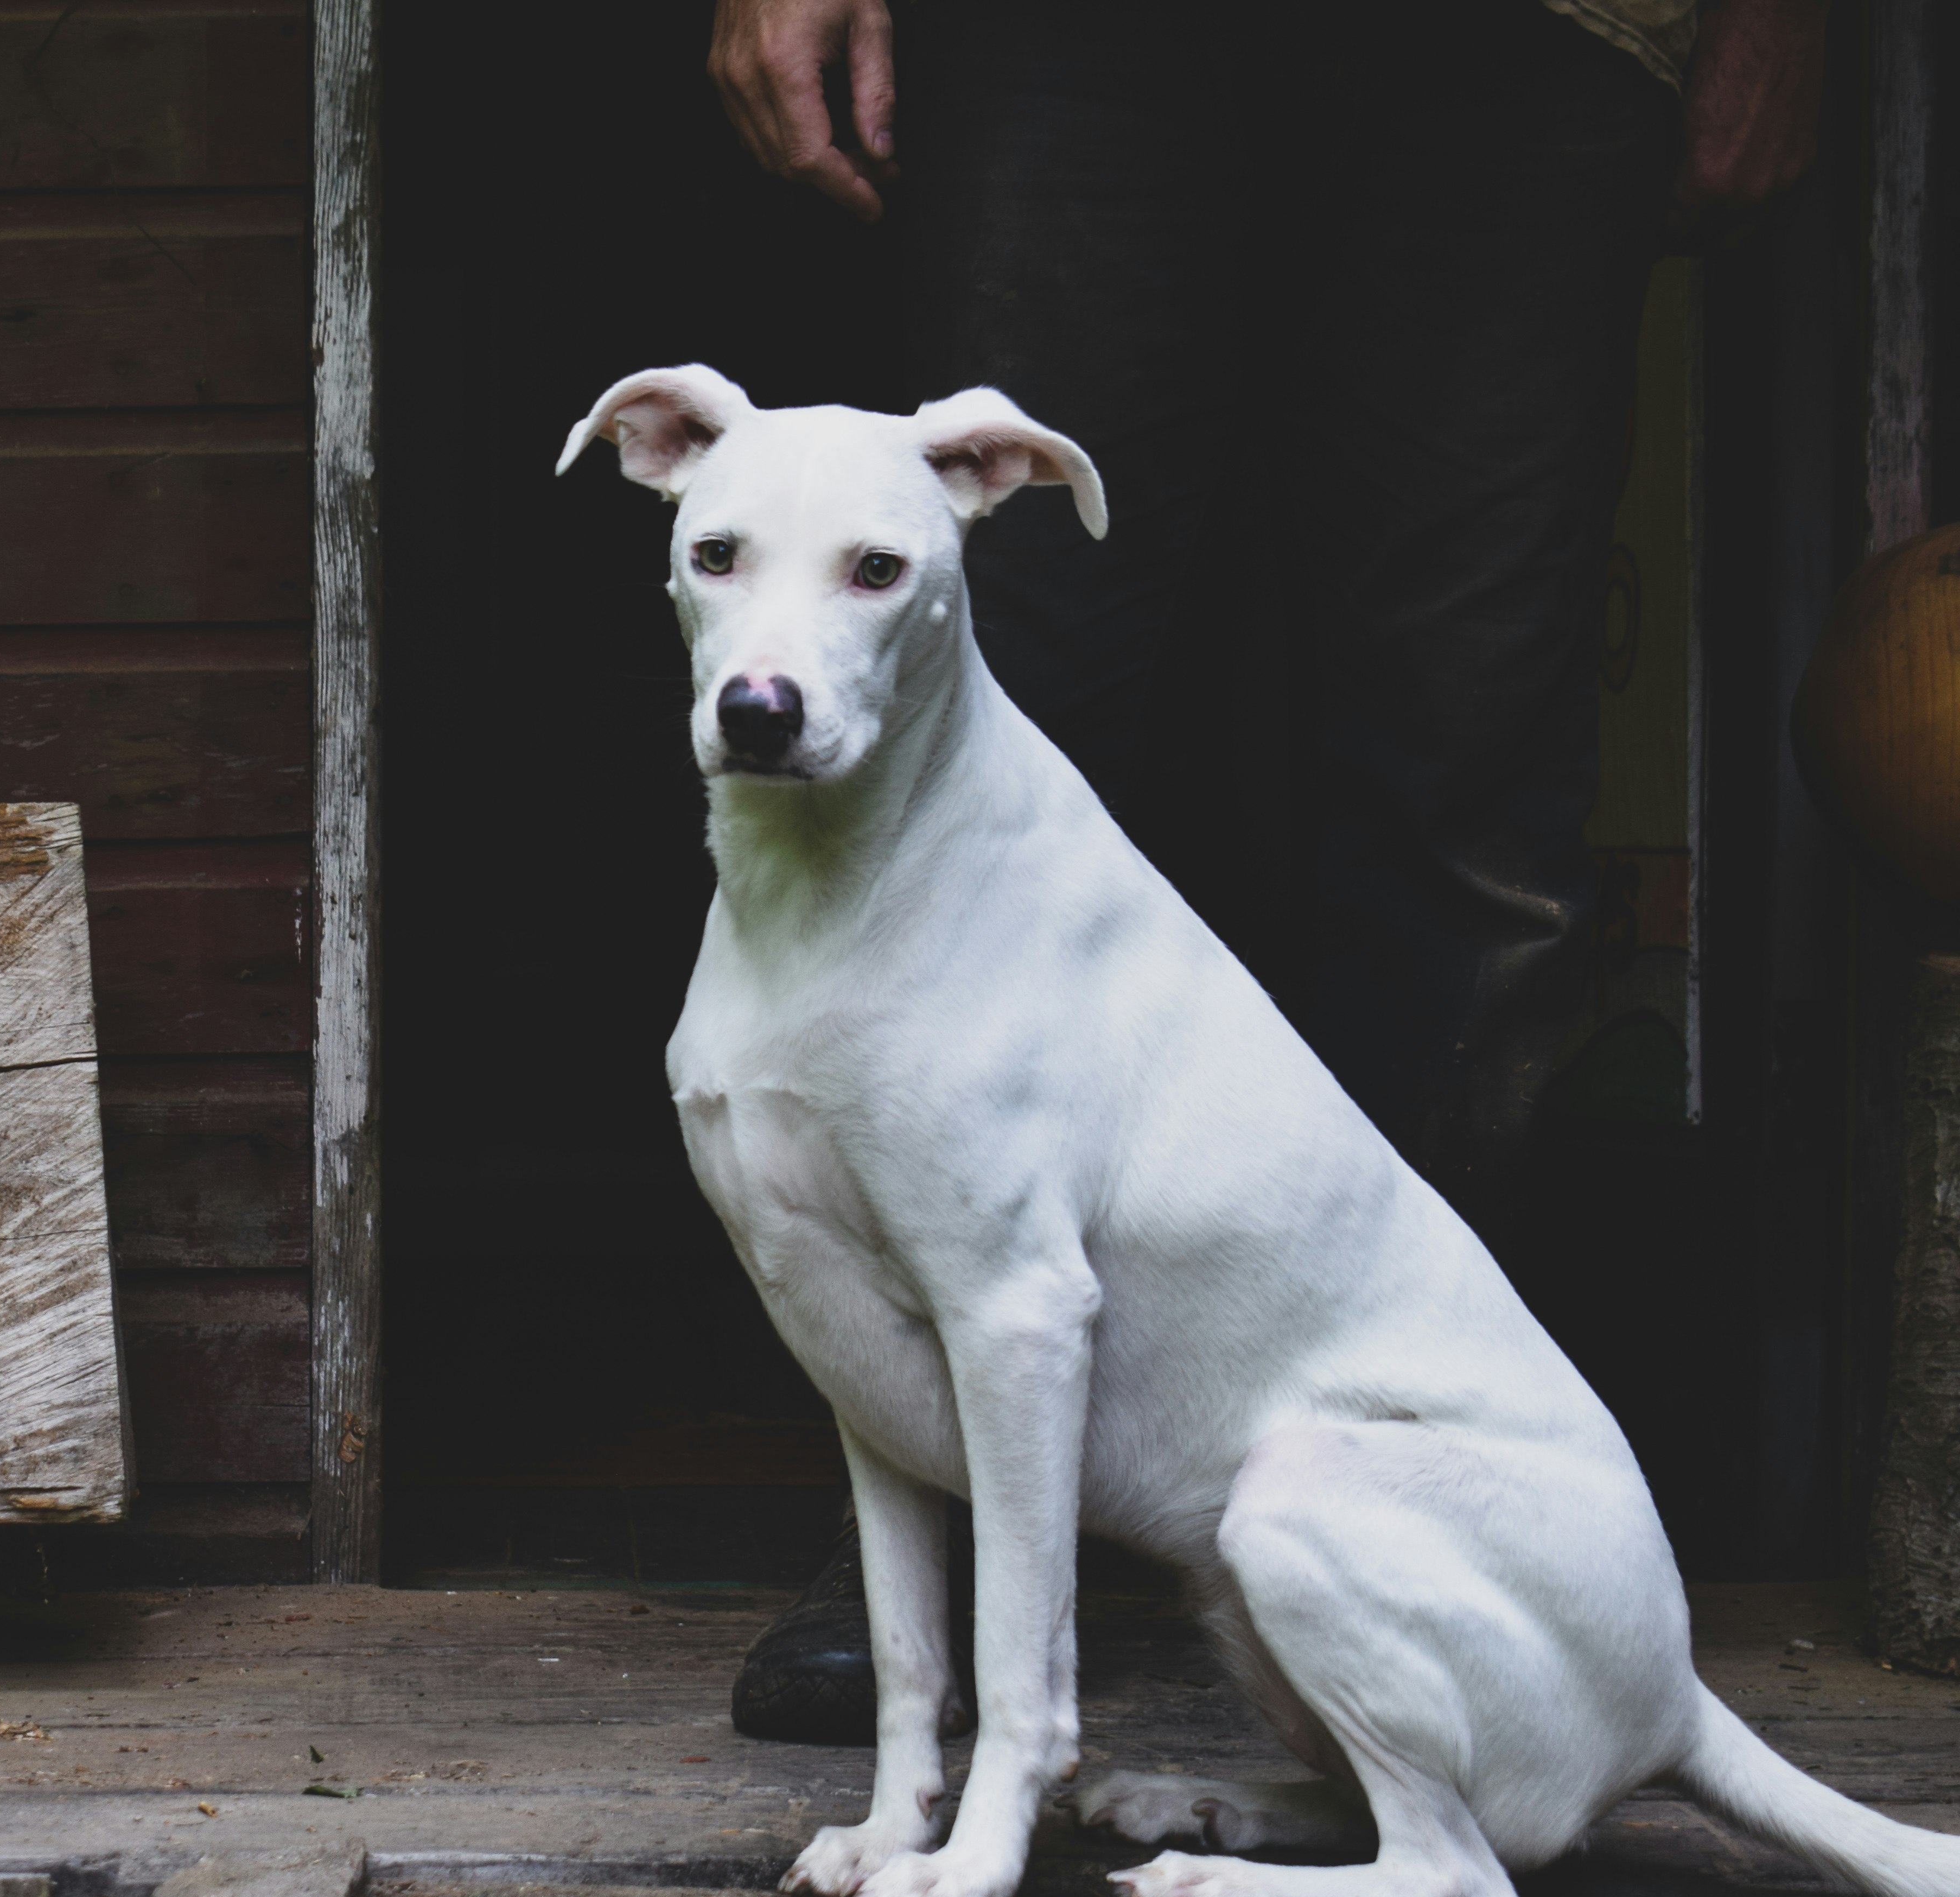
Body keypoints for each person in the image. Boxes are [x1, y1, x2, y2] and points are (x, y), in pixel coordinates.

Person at [710, 0, 1834, 1744]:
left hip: (1545, 29)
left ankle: (1418, 1517)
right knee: (994, 690)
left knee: (1472, 778)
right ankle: (938, 1559)